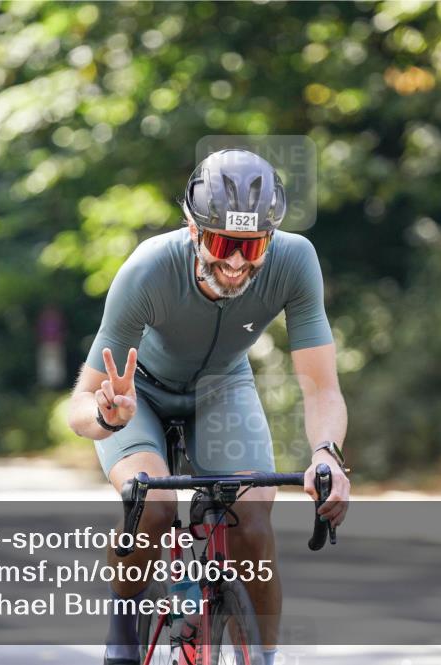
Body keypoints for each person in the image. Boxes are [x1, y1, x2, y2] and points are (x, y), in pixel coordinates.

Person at [68, 148, 350, 665]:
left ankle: (263, 654)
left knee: (253, 520)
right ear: (194, 230)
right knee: (151, 507)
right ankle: (122, 633)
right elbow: (80, 404)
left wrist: (327, 454)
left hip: (222, 387)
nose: (238, 262)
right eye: (223, 242)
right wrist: (107, 414)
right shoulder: (148, 269)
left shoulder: (295, 260)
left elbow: (321, 387)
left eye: (252, 245)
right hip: (141, 397)